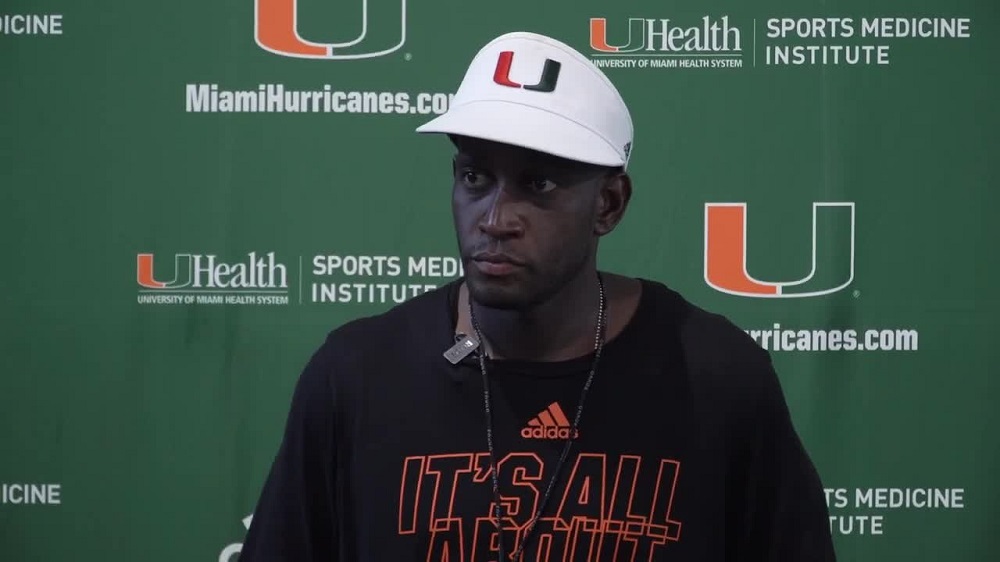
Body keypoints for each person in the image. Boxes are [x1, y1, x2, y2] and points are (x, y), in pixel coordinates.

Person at [238, 31, 836, 561]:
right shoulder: (356, 374)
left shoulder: (717, 375)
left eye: (538, 183)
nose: (495, 218)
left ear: (608, 204)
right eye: (475, 177)